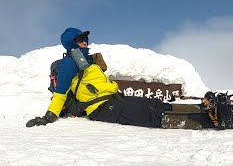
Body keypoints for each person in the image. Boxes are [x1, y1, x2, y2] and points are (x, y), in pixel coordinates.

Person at [26, 27, 172, 128]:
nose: (85, 41)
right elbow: (61, 91)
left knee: (156, 104)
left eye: (86, 38)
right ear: (71, 42)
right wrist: (49, 116)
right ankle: (191, 121)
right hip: (100, 108)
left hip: (114, 98)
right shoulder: (69, 63)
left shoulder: (88, 61)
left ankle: (192, 109)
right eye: (81, 39)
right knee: (149, 115)